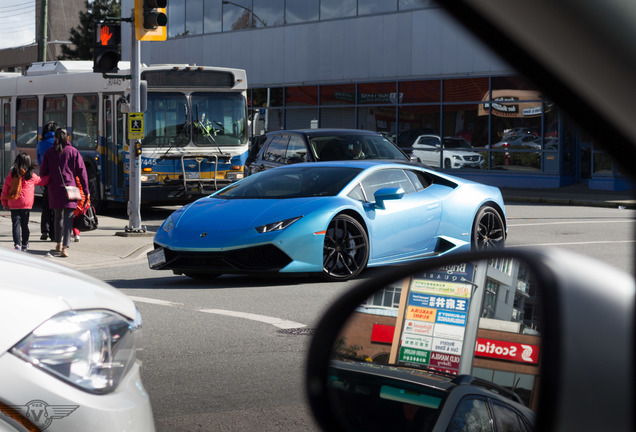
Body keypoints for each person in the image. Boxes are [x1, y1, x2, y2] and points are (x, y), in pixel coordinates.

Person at [39, 128, 89, 258]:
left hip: (55, 189)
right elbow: (82, 173)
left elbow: (43, 172)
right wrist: (86, 190)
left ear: (55, 138)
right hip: (70, 190)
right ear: (68, 138)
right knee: (68, 219)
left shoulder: (49, 152)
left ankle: (58, 243)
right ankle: (65, 248)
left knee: (58, 218)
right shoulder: (73, 152)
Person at [1, 153, 49, 251]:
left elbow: (5, 190)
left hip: (14, 203)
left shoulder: (11, 175)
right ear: (28, 163)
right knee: (25, 225)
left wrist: (4, 203)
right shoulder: (31, 176)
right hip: (26, 205)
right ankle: (25, 244)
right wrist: (51, 175)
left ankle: (17, 244)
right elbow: (43, 181)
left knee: (16, 225)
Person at [36, 120, 57, 241]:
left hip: (46, 179)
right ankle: (55, 233)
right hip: (59, 180)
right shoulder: (60, 142)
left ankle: (45, 230)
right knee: (57, 207)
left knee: (46, 205)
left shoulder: (41, 144)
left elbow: (40, 162)